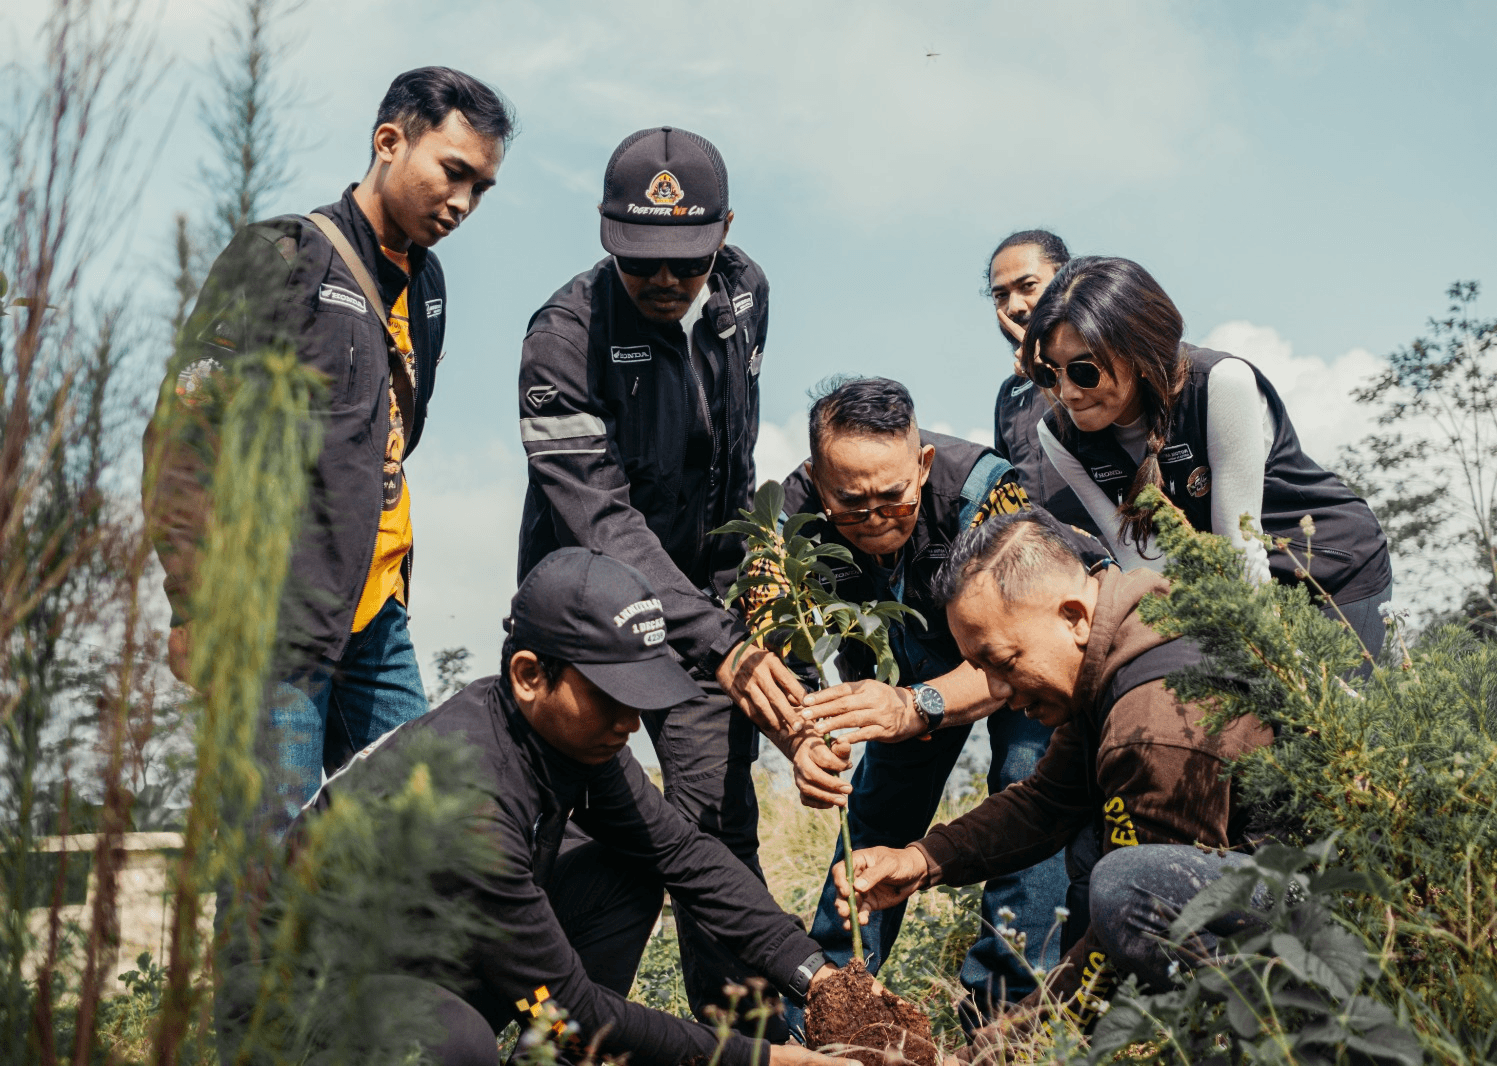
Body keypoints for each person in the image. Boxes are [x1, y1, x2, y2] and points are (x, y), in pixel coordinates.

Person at [243, 549, 861, 1066]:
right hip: (310, 1000)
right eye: (613, 697)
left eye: (642, 697)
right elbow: (570, 1006)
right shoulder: (467, 800)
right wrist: (763, 1058)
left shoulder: (567, 736)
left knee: (628, 868)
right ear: (529, 674)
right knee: (450, 1044)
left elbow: (685, 854)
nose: (631, 722)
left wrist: (821, 977)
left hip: (432, 945)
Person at [144, 67, 514, 830]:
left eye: (481, 188)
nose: (464, 204)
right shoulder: (282, 257)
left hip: (377, 617)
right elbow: (181, 438)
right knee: (267, 870)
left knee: (413, 846)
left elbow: (386, 445)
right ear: (389, 140)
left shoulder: (431, 284)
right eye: (453, 173)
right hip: (272, 621)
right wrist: (192, 602)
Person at [516, 126, 803, 1019]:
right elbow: (600, 517)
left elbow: (736, 450)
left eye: (686, 261)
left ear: (723, 234)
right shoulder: (562, 342)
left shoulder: (746, 293)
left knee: (717, 827)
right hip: (587, 616)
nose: (666, 283)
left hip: (710, 611)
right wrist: (721, 644)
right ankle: (549, 1026)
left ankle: (742, 1034)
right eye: (642, 263)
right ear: (607, 237)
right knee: (549, 828)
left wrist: (755, 583)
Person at [831, 509, 1275, 1040]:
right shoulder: (1120, 640)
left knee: (1122, 885)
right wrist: (921, 860)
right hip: (1238, 884)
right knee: (1105, 858)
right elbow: (1048, 802)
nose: (999, 693)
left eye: (1003, 662)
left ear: (1073, 617)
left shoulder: (1152, 718)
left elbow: (1142, 925)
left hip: (1321, 908)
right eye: (982, 670)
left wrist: (1007, 1049)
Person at [752, 377, 1113, 1027]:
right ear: (815, 475)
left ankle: (1007, 1010)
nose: (874, 520)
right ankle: (825, 1009)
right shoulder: (789, 524)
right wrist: (803, 739)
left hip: (1009, 664)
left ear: (922, 464)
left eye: (893, 498)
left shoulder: (991, 492)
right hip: (898, 674)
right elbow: (777, 655)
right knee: (872, 823)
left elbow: (1025, 655)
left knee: (1027, 781)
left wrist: (915, 704)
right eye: (850, 503)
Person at [1018, 256, 1392, 665]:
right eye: (1050, 373)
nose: (1068, 392)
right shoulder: (1057, 435)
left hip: (1327, 573)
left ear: (1137, 353)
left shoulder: (1220, 383)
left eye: (1084, 371)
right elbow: (1142, 559)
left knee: (1331, 719)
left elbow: (1239, 547)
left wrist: (1276, 664)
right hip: (1235, 588)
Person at [985, 230, 1103, 540]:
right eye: (1000, 295)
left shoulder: (1107, 360)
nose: (1015, 306)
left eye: (1027, 287)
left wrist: (1054, 372)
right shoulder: (1009, 394)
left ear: (1066, 280)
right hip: (1052, 568)